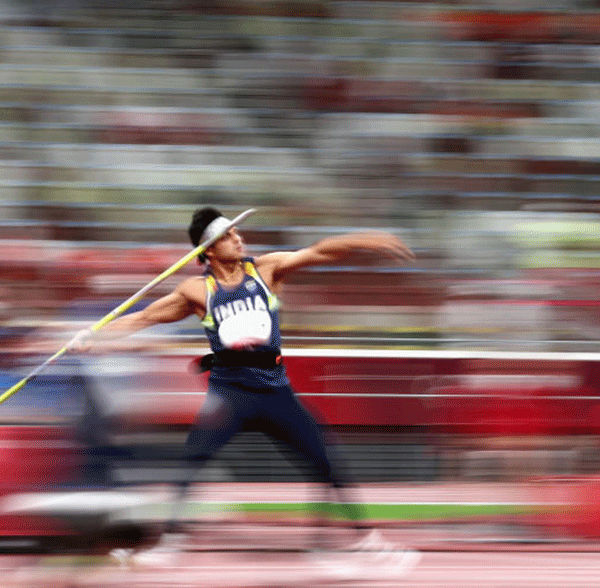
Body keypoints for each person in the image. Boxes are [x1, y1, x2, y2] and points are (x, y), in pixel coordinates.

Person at [69, 207, 420, 577]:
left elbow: (319, 251)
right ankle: (168, 544)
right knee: (191, 461)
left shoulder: (266, 269)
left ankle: (367, 541)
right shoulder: (196, 290)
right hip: (230, 393)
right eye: (227, 235)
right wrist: (94, 337)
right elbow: (143, 318)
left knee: (327, 459)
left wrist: (364, 241)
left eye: (237, 232)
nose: (238, 238)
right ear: (206, 250)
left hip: (274, 390)